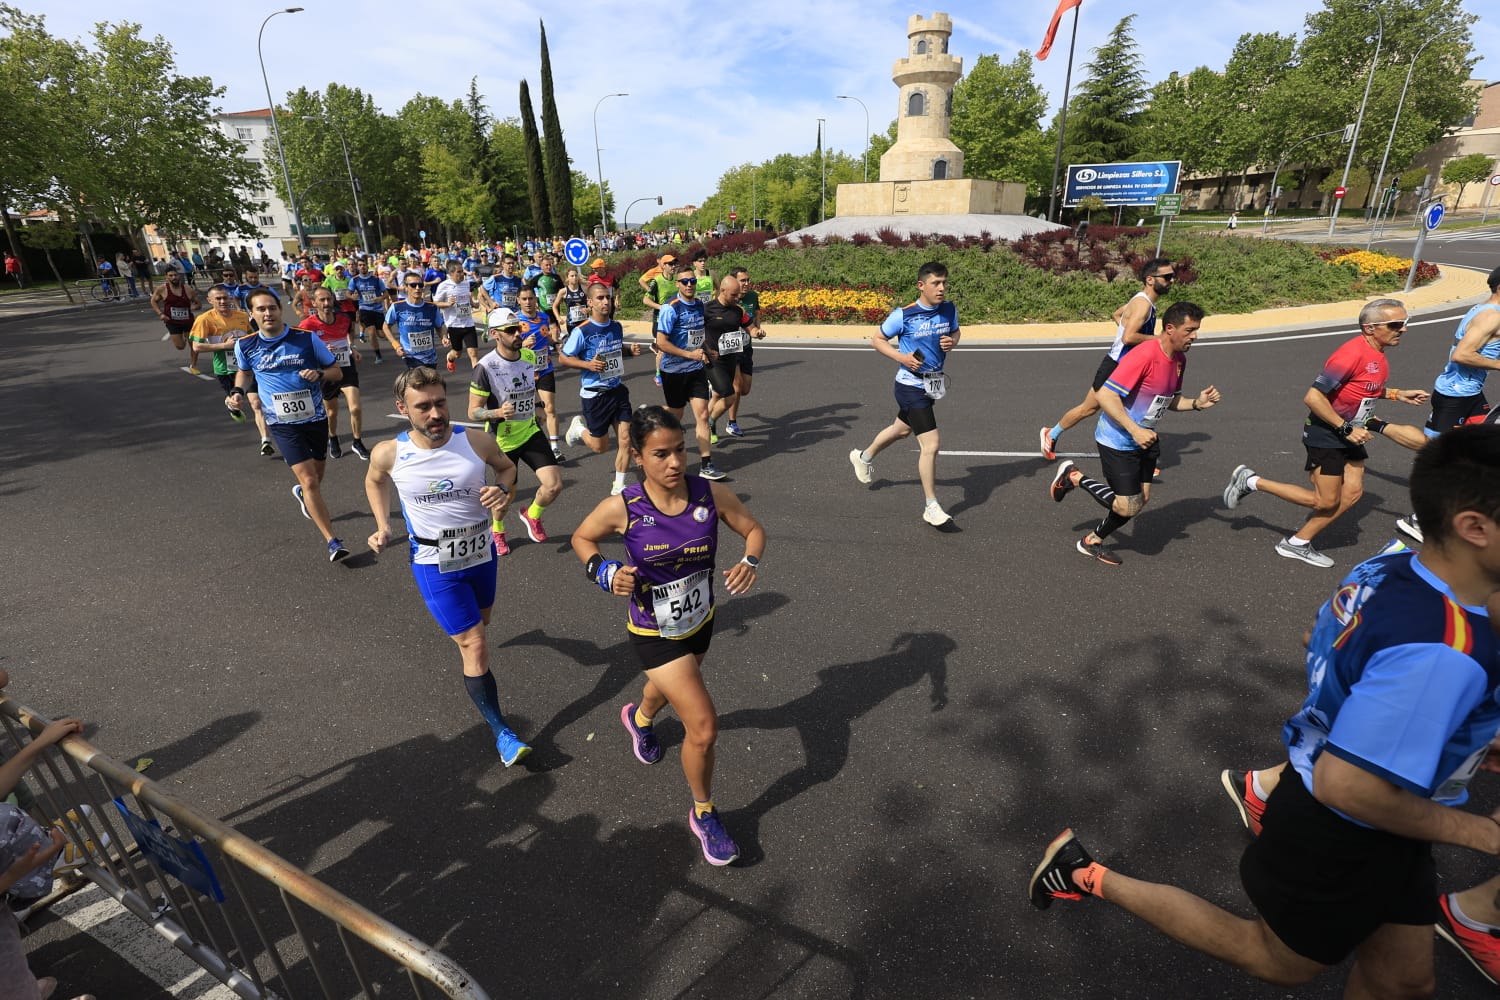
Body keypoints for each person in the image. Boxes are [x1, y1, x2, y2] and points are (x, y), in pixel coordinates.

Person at [1031, 424, 1500, 998]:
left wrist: (1466, 732)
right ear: (1474, 527)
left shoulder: (1389, 570)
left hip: (1379, 812)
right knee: (1276, 959)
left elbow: (1323, 638)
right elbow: (1347, 787)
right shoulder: (1445, 650)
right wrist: (1483, 834)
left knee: (1402, 982)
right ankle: (1083, 873)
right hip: (1346, 830)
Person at [570, 406, 765, 865]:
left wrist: (750, 561)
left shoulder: (709, 493)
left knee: (675, 684)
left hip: (700, 620)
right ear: (637, 456)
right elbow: (582, 538)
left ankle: (638, 719)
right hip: (653, 630)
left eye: (680, 450)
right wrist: (604, 570)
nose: (676, 462)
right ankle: (704, 812)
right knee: (702, 725)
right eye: (662, 454)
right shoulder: (624, 508)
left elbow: (753, 529)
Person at [364, 366, 531, 767]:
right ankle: (502, 733)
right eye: (424, 407)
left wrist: (503, 492)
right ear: (402, 408)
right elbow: (374, 481)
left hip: (481, 554)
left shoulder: (476, 441)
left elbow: (507, 469)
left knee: (482, 626)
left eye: (440, 403)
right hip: (433, 562)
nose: (436, 414)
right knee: (475, 644)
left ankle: (467, 642)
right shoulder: (390, 453)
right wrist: (383, 526)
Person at [1221, 299, 1430, 568]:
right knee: (1323, 500)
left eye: (1405, 323)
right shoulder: (1350, 355)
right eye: (1395, 324)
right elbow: (1313, 397)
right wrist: (1345, 428)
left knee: (1352, 494)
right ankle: (1251, 481)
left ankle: (1297, 543)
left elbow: (1362, 388)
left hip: (1351, 430)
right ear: (1370, 328)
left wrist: (1396, 394)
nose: (1403, 329)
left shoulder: (1377, 355)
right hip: (1328, 433)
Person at [1047, 302, 1221, 565]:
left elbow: (1170, 400)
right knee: (1128, 505)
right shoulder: (1144, 355)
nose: (1195, 336)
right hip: (1117, 440)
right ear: (1170, 329)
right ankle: (1075, 477)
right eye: (1190, 330)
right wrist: (1134, 429)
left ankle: (1091, 540)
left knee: (1141, 500)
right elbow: (1106, 394)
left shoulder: (1179, 360)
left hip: (1146, 437)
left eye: (1197, 330)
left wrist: (1196, 403)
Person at [230, 288, 349, 562]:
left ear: (279, 309)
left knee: (316, 477)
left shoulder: (305, 339)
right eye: (260, 309)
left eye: (271, 307)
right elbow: (245, 373)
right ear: (252, 314)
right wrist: (237, 392)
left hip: (315, 417)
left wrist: (319, 372)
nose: (267, 313)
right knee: (309, 480)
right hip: (281, 422)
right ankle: (333, 541)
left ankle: (303, 494)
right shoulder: (246, 345)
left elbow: (336, 371)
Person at [848, 260, 960, 530]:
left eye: (944, 282)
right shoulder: (904, 314)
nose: (942, 288)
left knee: (901, 430)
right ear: (921, 286)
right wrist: (901, 357)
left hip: (931, 384)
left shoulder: (948, 309)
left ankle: (863, 456)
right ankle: (931, 506)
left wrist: (952, 341)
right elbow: (877, 339)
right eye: (936, 283)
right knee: (931, 445)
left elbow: (956, 332)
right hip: (910, 386)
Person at [1395, 264, 1500, 545]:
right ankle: (1416, 519)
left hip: (1470, 394)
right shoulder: (1490, 317)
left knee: (1483, 450)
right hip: (1455, 395)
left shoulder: (1487, 311)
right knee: (1439, 455)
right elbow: (1463, 354)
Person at [1040, 258, 1174, 461]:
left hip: (1128, 367)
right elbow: (1128, 337)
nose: (1171, 281)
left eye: (1172, 276)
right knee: (1089, 408)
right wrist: (1158, 340)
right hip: (1115, 366)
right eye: (1167, 277)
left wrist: (1129, 332)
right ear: (1150, 279)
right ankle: (1052, 433)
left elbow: (1117, 314)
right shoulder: (1142, 306)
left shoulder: (1142, 302)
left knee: (1133, 406)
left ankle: (1141, 455)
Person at [468, 307, 566, 556]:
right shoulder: (484, 367)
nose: (516, 334)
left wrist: (539, 406)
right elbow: (473, 412)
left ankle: (532, 515)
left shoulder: (529, 357)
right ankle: (498, 530)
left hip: (530, 431)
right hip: (503, 440)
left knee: (553, 485)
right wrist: (497, 413)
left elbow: (527, 387)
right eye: (509, 331)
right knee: (505, 497)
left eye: (518, 329)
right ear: (495, 335)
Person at [560, 283, 645, 495]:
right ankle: (578, 429)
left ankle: (618, 485)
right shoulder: (582, 331)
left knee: (625, 439)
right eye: (599, 298)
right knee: (600, 447)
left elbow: (614, 352)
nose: (605, 302)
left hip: (617, 390)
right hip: (594, 395)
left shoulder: (616, 327)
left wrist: (628, 350)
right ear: (589, 302)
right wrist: (587, 365)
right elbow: (563, 358)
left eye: (607, 297)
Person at [656, 263, 727, 481]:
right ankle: (652, 418)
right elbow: (661, 343)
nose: (689, 285)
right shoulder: (671, 308)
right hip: (674, 371)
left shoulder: (699, 305)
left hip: (696, 368)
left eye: (692, 281)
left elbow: (698, 334)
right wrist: (689, 355)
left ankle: (706, 464)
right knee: (674, 418)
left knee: (703, 415)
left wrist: (707, 350)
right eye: (685, 281)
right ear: (678, 284)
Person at [189, 285, 274, 451]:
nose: (223, 301)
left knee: (256, 403)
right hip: (225, 369)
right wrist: (224, 345)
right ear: (210, 301)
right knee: (237, 401)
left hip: (247, 367)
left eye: (225, 297)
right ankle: (230, 403)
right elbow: (197, 347)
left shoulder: (241, 316)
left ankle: (265, 441)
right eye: (218, 298)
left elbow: (253, 336)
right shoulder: (204, 319)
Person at [298, 286, 369, 461]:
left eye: (329, 299)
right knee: (331, 412)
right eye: (322, 300)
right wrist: (320, 351)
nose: (327, 303)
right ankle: (333, 437)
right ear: (314, 303)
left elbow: (349, 332)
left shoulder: (343, 319)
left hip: (346, 366)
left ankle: (357, 441)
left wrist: (352, 347)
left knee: (355, 407)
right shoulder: (308, 325)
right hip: (326, 372)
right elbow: (300, 349)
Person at [702, 274, 756, 443]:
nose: (737, 298)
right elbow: (695, 333)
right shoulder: (707, 309)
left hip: (731, 358)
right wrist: (705, 350)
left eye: (738, 294)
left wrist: (757, 333)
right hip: (713, 360)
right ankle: (709, 422)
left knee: (719, 394)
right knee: (730, 396)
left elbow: (750, 327)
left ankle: (705, 424)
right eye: (733, 295)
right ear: (722, 291)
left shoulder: (738, 310)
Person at [513, 288, 563, 461]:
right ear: (518, 300)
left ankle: (555, 447)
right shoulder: (514, 321)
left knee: (550, 407)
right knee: (528, 411)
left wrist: (556, 342)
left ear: (536, 299)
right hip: (522, 372)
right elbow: (507, 347)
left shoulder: (544, 317)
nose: (528, 302)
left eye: (531, 298)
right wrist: (522, 344)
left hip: (544, 368)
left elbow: (547, 337)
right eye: (524, 299)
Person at [722, 266, 766, 438]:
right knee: (737, 387)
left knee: (745, 389)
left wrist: (758, 330)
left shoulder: (753, 296)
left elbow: (756, 314)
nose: (747, 283)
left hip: (746, 347)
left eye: (748, 280)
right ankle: (731, 423)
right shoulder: (727, 299)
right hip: (731, 349)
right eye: (743, 280)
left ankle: (717, 390)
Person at [383, 272, 444, 369]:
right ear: (406, 287)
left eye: (420, 285)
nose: (417, 288)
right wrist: (396, 345)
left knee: (429, 383)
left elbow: (439, 327)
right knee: (419, 381)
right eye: (413, 285)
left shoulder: (432, 307)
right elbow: (386, 326)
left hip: (430, 357)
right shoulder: (397, 307)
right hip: (410, 356)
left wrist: (443, 337)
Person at [434, 260, 480, 373]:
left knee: (473, 354)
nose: (462, 274)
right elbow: (435, 303)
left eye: (462, 272)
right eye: (459, 272)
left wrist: (473, 303)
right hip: (454, 325)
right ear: (451, 273)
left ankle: (478, 379)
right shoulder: (444, 286)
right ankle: (450, 358)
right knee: (457, 353)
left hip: (468, 323)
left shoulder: (466, 283)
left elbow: (467, 297)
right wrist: (447, 304)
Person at [150, 268, 201, 362]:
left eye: (175, 275)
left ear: (179, 276)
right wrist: (160, 314)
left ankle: (193, 365)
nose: (174, 277)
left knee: (194, 345)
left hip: (187, 321)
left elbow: (198, 303)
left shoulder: (188, 289)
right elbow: (153, 301)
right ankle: (182, 338)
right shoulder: (162, 289)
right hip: (172, 322)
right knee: (180, 346)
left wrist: (194, 307)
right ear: (167, 277)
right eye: (171, 275)